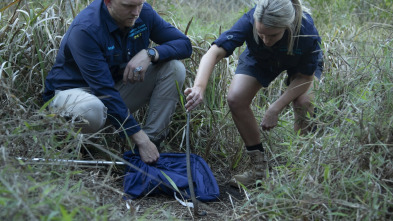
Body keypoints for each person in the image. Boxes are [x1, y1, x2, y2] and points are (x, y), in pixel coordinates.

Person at [184, 0, 323, 187]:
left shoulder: (305, 29)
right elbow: (214, 53)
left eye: (272, 35)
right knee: (236, 98)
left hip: (299, 67)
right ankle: (259, 169)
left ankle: (299, 170)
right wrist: (199, 86)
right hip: (261, 59)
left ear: (287, 26)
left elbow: (305, 78)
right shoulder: (251, 19)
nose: (266, 40)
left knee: (304, 102)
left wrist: (275, 108)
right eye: (261, 34)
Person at [43, 0, 192, 164]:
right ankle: (68, 142)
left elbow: (184, 44)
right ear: (108, 2)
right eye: (128, 6)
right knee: (92, 108)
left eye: (139, 4)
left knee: (174, 68)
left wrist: (150, 53)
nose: (136, 12)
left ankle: (149, 148)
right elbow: (104, 91)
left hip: (111, 92)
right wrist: (138, 137)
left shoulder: (143, 13)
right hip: (72, 95)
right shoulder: (87, 28)